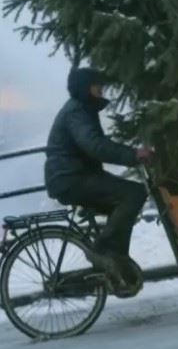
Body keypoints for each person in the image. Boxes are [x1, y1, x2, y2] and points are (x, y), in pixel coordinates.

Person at [44, 67, 153, 290]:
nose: (101, 90)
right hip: (70, 178)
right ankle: (104, 250)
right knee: (134, 193)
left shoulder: (83, 109)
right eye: (97, 86)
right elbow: (94, 145)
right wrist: (134, 155)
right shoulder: (76, 113)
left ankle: (114, 262)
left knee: (121, 199)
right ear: (85, 88)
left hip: (75, 175)